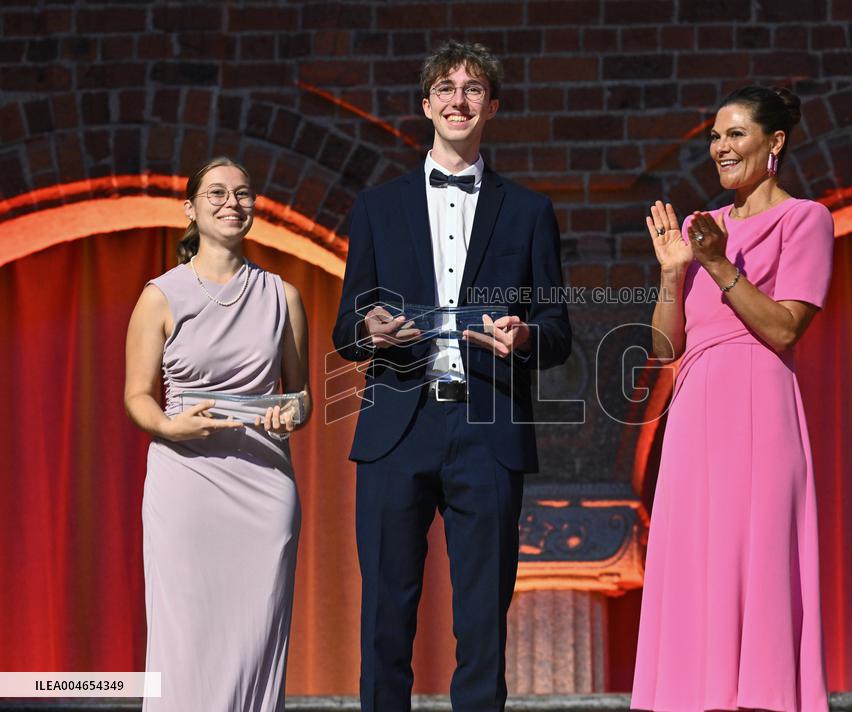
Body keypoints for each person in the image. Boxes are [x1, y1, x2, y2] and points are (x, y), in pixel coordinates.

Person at [332, 40, 571, 712]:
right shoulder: (378, 207)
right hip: (396, 427)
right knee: (384, 616)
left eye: (472, 89)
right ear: (426, 104)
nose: (458, 100)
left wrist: (524, 336)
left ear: (491, 107)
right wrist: (369, 330)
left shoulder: (529, 211)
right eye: (446, 88)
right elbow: (346, 328)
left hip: (487, 427)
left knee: (483, 621)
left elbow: (557, 330)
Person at [632, 86, 833, 712]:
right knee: (696, 566)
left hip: (759, 410)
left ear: (775, 142)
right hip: (694, 415)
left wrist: (720, 267)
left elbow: (784, 329)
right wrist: (673, 271)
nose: (721, 147)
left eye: (735, 134)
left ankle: (762, 697)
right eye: (715, 137)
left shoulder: (805, 219)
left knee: (754, 560)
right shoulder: (702, 228)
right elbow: (666, 348)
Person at [124, 156, 311, 711]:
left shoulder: (283, 295)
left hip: (264, 486)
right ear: (190, 208)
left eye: (243, 193)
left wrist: (291, 412)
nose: (233, 202)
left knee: (256, 637)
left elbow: (301, 395)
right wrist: (169, 424)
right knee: (185, 636)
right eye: (218, 193)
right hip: (186, 482)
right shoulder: (160, 295)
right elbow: (137, 395)